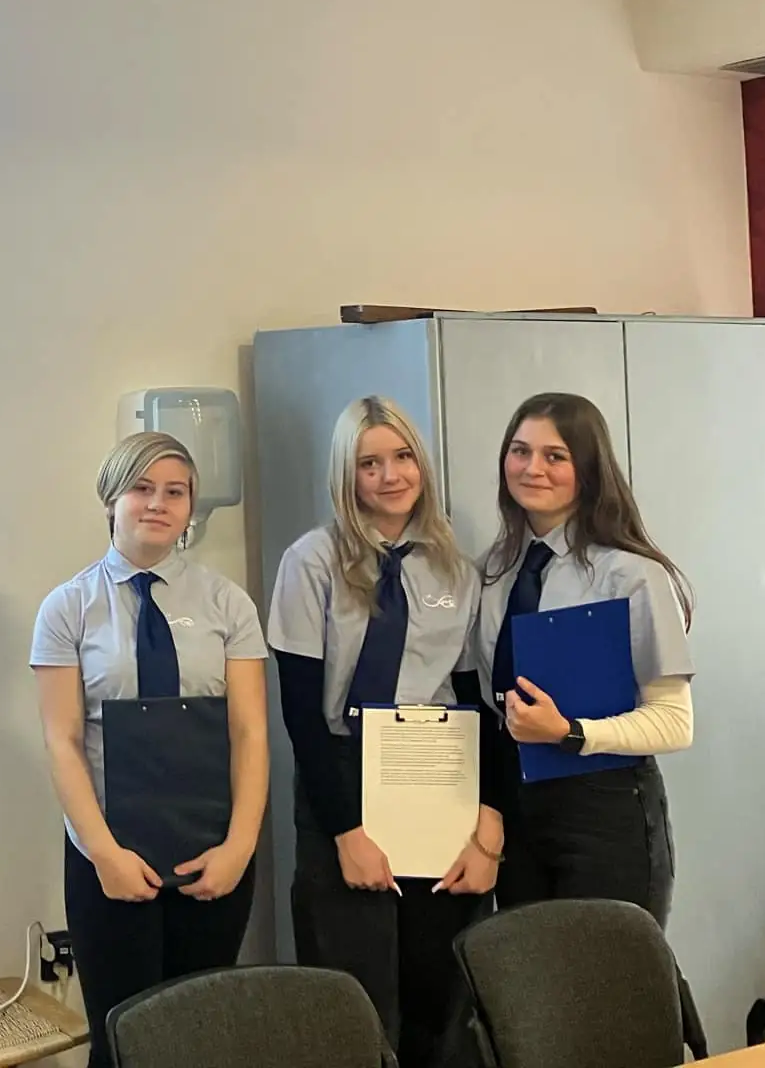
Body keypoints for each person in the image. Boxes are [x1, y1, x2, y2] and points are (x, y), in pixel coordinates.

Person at [268, 396, 500, 1068]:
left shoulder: (456, 568)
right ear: (346, 474)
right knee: (353, 997)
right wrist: (347, 831)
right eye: (369, 464)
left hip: (433, 772)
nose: (389, 476)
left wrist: (485, 826)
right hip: (341, 774)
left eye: (401, 458)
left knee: (438, 992)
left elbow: (474, 701)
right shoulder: (311, 561)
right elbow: (300, 711)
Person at [31, 432, 269, 1066]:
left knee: (198, 1039)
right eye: (142, 488)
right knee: (122, 1039)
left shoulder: (229, 604)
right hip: (109, 854)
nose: (158, 503)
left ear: (191, 507)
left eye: (175, 492)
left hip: (211, 850)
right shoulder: (68, 607)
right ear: (111, 499)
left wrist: (240, 848)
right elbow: (62, 740)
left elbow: (250, 733)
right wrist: (104, 854)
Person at [477, 392, 695, 924]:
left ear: (589, 470)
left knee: (608, 971)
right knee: (529, 970)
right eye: (520, 451)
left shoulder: (632, 575)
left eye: (555, 456)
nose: (532, 468)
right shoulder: (491, 571)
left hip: (604, 812)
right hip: (517, 812)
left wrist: (570, 732)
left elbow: (675, 722)